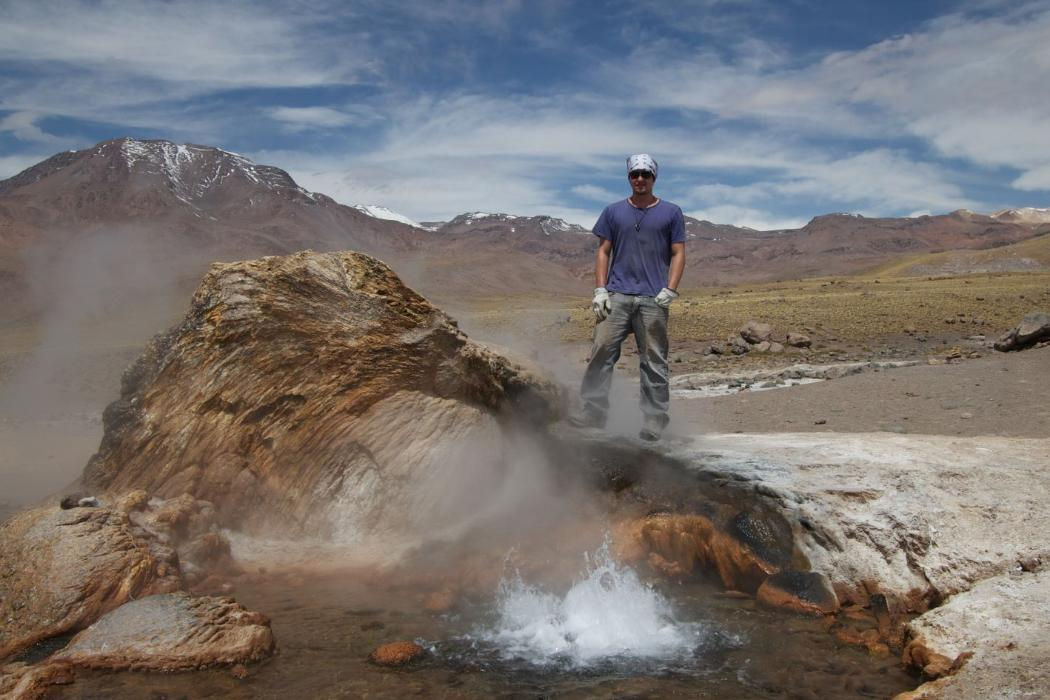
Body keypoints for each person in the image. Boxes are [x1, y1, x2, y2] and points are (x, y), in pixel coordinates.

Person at [571, 154, 686, 441]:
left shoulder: (671, 212)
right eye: (635, 174)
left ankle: (654, 420)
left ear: (654, 178)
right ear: (628, 177)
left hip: (653, 299)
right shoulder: (613, 212)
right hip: (617, 295)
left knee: (654, 360)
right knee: (601, 352)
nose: (640, 179)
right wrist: (600, 290)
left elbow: (678, 253)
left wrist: (670, 289)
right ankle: (593, 411)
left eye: (646, 174)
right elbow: (603, 251)